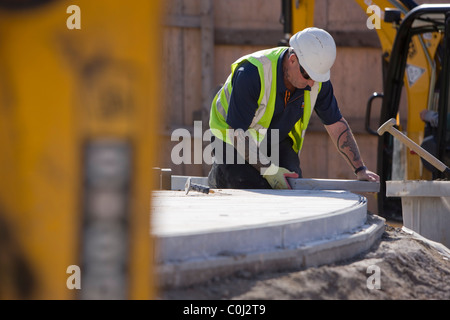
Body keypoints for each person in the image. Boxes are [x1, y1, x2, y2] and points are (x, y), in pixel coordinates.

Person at [208, 27, 379, 189]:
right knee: (249, 185)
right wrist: (269, 170)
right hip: (231, 139)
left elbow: (336, 124)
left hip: (274, 138)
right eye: (308, 75)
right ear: (292, 60)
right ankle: (219, 175)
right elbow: (237, 133)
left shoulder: (316, 82)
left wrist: (360, 169)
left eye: (316, 77)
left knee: (293, 184)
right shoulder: (252, 73)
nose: (311, 83)